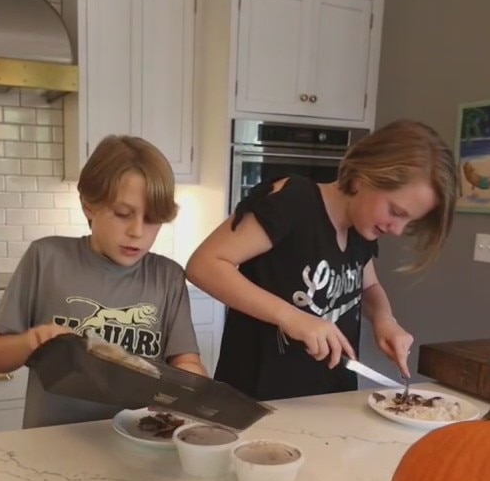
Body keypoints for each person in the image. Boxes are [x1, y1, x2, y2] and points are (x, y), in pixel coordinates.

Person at [185, 119, 457, 402]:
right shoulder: (294, 200)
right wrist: (290, 316)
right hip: (261, 398)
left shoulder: (361, 228)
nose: (397, 230)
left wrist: (384, 319)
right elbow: (204, 265)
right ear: (365, 177)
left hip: (330, 397)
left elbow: (369, 286)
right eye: (396, 211)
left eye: (408, 221)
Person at [0, 135, 207, 429]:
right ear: (89, 205)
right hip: (52, 441)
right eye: (123, 214)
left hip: (138, 442)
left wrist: (192, 385)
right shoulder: (47, 258)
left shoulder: (168, 277)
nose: (137, 231)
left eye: (152, 219)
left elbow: (186, 363)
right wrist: (31, 341)